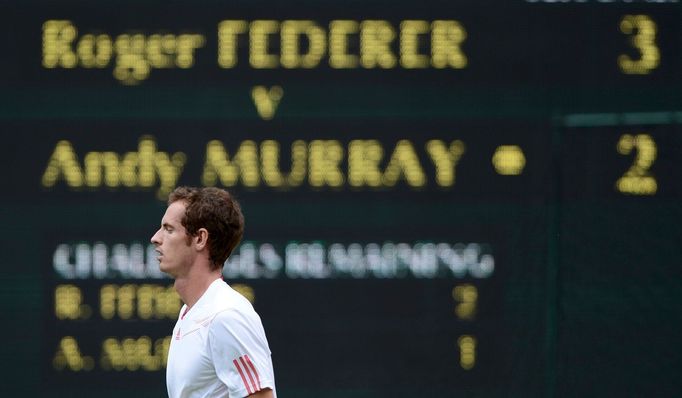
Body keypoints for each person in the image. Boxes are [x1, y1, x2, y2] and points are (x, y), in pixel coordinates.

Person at [151, 186, 276, 398]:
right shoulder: (188, 314)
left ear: (200, 239)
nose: (156, 237)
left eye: (169, 229)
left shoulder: (226, 315)